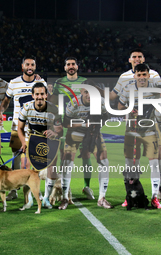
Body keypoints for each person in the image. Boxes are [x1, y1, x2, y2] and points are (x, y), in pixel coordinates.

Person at [110, 49, 161, 205]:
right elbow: (120, 106)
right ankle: (131, 196)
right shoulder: (127, 88)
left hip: (150, 130)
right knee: (131, 164)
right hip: (131, 130)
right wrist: (129, 109)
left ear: (149, 75)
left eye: (144, 75)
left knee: (153, 162)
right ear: (135, 75)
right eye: (138, 75)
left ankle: (155, 196)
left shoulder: (156, 87)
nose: (141, 77)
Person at [0, 56, 47, 200]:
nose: (29, 67)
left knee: (35, 158)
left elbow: (45, 102)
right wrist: (0, 112)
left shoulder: (41, 82)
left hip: (35, 127)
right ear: (22, 66)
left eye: (32, 65)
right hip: (17, 126)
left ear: (35, 67)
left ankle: (34, 188)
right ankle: (14, 188)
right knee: (16, 157)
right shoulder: (13, 83)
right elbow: (6, 101)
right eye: (27, 64)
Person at [50, 57, 95, 201]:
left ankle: (86, 186)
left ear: (77, 66)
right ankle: (62, 185)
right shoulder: (59, 83)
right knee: (64, 156)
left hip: (83, 123)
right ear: (65, 67)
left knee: (86, 154)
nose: (71, 66)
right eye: (68, 64)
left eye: (73, 64)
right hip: (66, 123)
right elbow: (53, 102)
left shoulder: (84, 81)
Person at [65, 86, 113, 209]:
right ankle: (65, 197)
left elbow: (107, 117)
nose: (89, 95)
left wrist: (95, 127)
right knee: (67, 161)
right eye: (86, 92)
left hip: (92, 132)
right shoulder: (73, 103)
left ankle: (102, 197)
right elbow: (66, 123)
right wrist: (83, 124)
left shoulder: (101, 102)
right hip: (76, 132)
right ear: (81, 92)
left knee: (104, 160)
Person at [18, 82, 62, 209]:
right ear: (32, 95)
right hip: (32, 139)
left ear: (46, 95)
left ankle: (47, 199)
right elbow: (20, 128)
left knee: (52, 170)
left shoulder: (54, 109)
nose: (39, 97)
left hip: (49, 141)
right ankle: (31, 198)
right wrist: (23, 143)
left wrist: (54, 132)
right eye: (37, 94)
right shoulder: (26, 108)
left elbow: (60, 129)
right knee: (25, 167)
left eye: (42, 94)